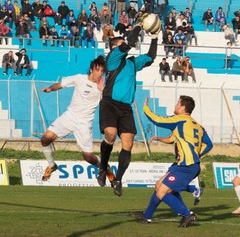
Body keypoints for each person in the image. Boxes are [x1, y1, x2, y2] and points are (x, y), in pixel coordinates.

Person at [97, 22, 159, 196]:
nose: (123, 44)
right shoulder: (113, 59)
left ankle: (118, 179)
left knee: (128, 143)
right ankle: (103, 168)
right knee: (110, 134)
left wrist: (154, 38)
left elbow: (150, 57)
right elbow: (129, 42)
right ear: (114, 47)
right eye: (120, 43)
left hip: (125, 108)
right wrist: (139, 25)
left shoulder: (131, 63)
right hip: (109, 103)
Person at [131, 95, 213, 227]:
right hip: (184, 164)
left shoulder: (179, 120)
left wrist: (145, 108)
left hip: (187, 165)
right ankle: (147, 216)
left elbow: (157, 120)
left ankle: (187, 214)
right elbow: (208, 145)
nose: (175, 106)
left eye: (177, 103)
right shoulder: (197, 126)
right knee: (159, 185)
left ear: (182, 107)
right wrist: (159, 138)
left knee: (162, 191)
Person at [40, 56, 115, 186]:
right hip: (69, 117)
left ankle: (105, 167)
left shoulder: (103, 86)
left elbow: (110, 102)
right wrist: (50, 89)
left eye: (102, 71)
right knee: (45, 139)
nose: (100, 74)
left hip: (84, 123)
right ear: (91, 70)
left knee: (88, 157)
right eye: (98, 70)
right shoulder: (79, 78)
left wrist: (103, 90)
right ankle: (51, 165)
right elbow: (61, 84)